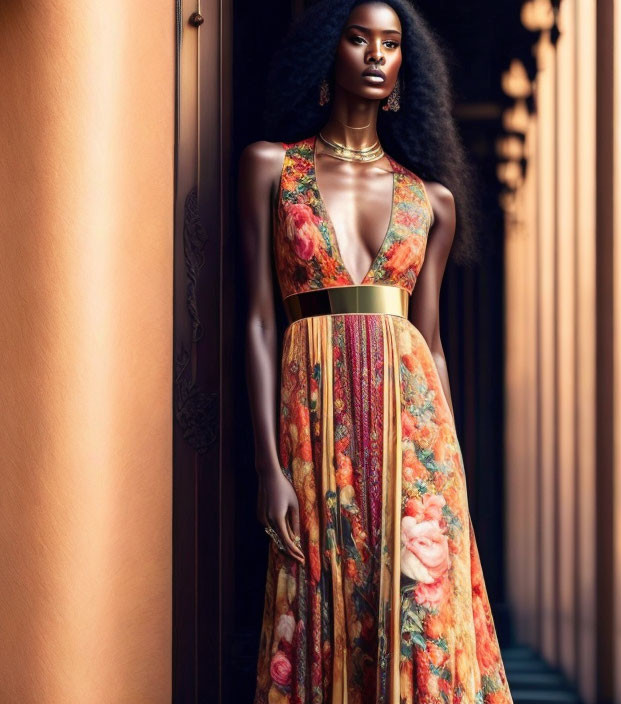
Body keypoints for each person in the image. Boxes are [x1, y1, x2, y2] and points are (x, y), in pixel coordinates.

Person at [237, 2, 513, 701]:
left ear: (403, 69)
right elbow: (262, 323)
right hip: (315, 426)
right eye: (359, 39)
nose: (374, 54)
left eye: (390, 44)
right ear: (329, 54)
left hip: (412, 435)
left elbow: (432, 343)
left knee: (413, 614)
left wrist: (449, 473)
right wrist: (270, 466)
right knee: (320, 599)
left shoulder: (433, 202)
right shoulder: (272, 169)